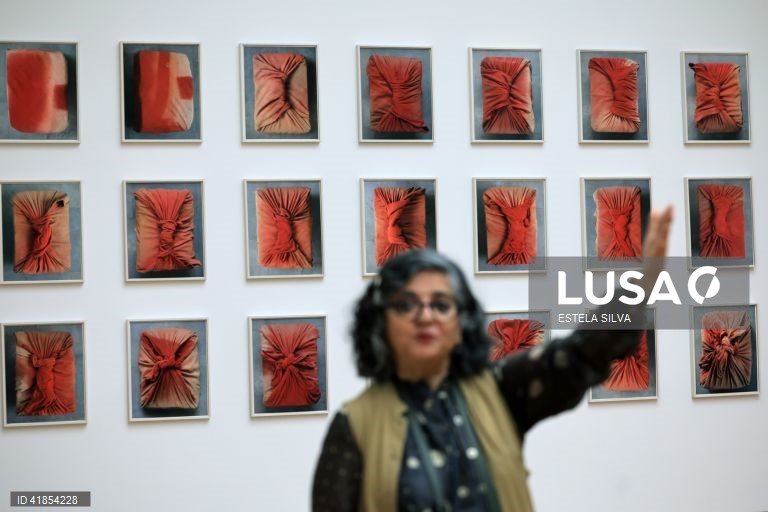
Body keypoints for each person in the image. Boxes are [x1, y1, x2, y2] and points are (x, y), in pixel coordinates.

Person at [312, 208, 673, 512]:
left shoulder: (501, 392)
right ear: (381, 323)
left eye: (441, 304)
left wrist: (640, 288)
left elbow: (582, 349)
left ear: (461, 323)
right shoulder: (354, 425)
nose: (425, 316)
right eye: (406, 304)